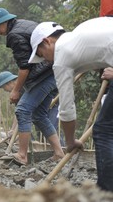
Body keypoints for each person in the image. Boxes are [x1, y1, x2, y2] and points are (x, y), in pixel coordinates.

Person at [28, 17, 113, 191]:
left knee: (103, 130)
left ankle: (106, 193)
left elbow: (67, 109)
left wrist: (70, 141)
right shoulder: (79, 32)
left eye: (42, 55)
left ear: (47, 41)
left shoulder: (61, 55)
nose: (46, 60)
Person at [0, 8, 64, 164]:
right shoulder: (23, 24)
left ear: (4, 23)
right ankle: (59, 153)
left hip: (45, 74)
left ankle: (22, 155)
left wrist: (16, 90)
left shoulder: (14, 35)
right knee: (39, 115)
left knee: (22, 110)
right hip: (53, 71)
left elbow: (25, 67)